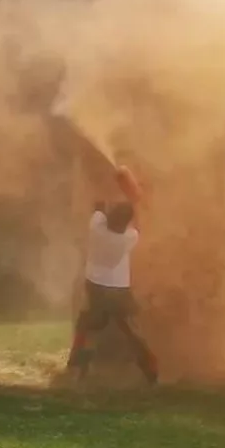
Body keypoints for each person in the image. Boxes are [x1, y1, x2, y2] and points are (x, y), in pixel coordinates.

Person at [65, 165, 159, 385]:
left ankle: (77, 365)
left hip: (96, 287)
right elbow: (138, 226)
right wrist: (134, 197)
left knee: (85, 325)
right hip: (119, 290)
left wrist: (113, 179)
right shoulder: (127, 238)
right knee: (129, 329)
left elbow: (98, 204)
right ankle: (150, 365)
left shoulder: (96, 227)